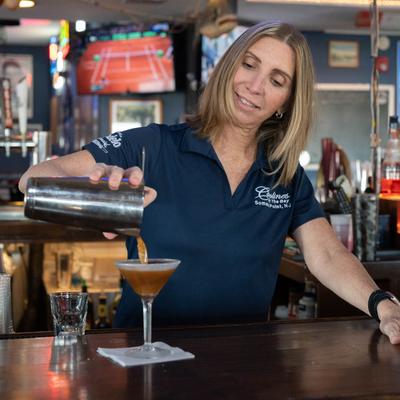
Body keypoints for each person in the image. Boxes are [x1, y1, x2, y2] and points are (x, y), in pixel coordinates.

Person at [19, 21, 400, 343]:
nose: (255, 85)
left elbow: (328, 256)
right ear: (227, 67)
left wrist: (382, 304)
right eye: (249, 65)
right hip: (144, 355)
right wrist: (97, 187)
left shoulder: (285, 175)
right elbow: (32, 181)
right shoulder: (149, 145)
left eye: (277, 79)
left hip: (244, 365)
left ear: (285, 101)